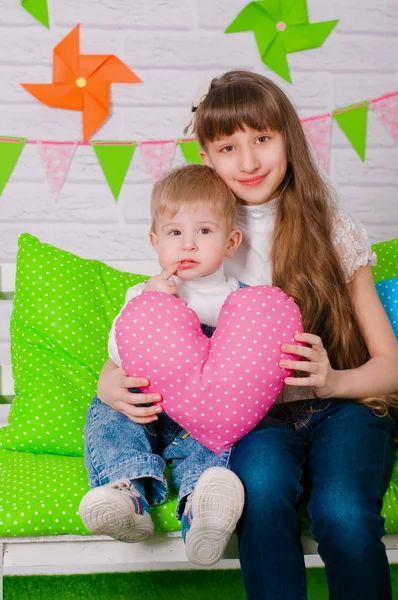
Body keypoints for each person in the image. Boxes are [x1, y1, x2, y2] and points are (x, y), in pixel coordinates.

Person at [96, 70, 398, 600]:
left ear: (289, 137)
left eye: (262, 138)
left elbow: (390, 366)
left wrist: (331, 381)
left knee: (344, 513)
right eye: (228, 146)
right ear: (205, 155)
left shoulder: (331, 226)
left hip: (342, 409)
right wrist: (108, 381)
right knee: (258, 496)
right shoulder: (198, 230)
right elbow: (149, 328)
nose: (249, 160)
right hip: (254, 420)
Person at [79, 164, 246, 567]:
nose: (188, 245)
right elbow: (119, 353)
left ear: (231, 242)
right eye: (175, 233)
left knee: (231, 434)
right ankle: (126, 492)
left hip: (204, 420)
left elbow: (246, 375)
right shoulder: (144, 292)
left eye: (204, 232)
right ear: (156, 242)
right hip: (148, 410)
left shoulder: (240, 301)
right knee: (107, 413)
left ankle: (199, 508)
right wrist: (153, 303)